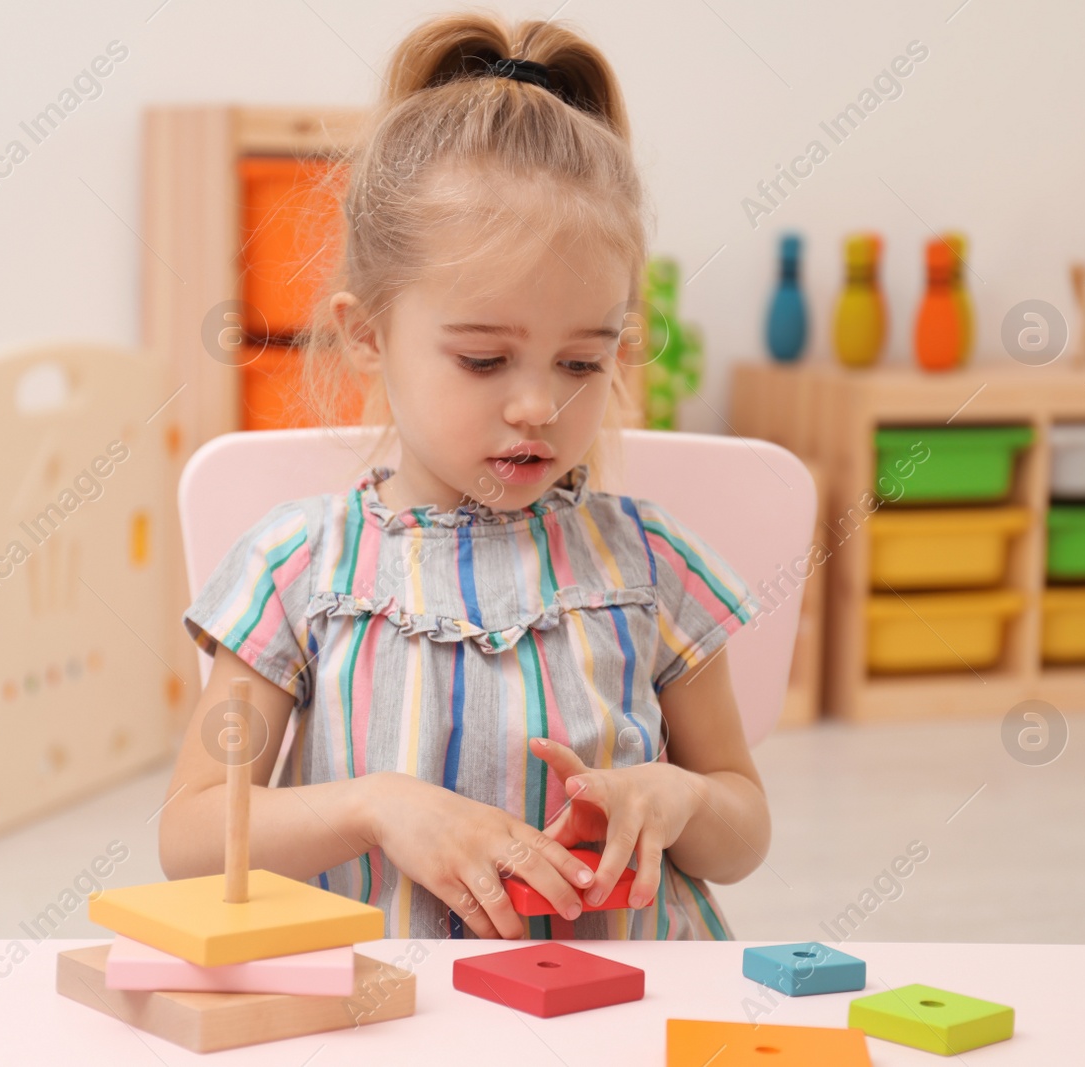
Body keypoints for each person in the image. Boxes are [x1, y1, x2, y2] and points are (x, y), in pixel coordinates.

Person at [161, 11, 767, 941]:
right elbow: (194, 836)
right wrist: (375, 806)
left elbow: (742, 829)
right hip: (389, 1016)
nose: (539, 407)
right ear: (368, 335)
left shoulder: (651, 561)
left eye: (581, 363)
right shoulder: (298, 566)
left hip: (627, 1010)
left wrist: (679, 796)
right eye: (485, 361)